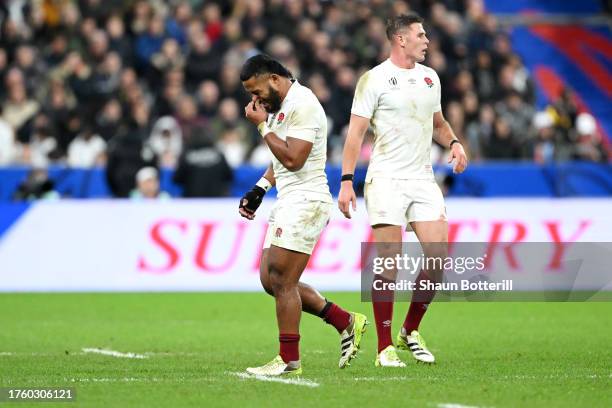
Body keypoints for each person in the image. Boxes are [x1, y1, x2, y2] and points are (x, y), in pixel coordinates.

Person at [338, 14, 468, 367]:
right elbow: (355, 135)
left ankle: (409, 331)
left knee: (438, 257)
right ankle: (384, 348)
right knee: (389, 263)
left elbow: (437, 124)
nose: (426, 40)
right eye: (420, 35)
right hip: (386, 180)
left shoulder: (430, 78)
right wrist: (347, 181)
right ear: (400, 39)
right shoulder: (374, 80)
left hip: (423, 179)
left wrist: (454, 142)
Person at [238, 54, 368, 377]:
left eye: (256, 92)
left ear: (273, 79)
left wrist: (262, 128)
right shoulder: (281, 107)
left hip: (308, 200)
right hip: (288, 199)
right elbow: (280, 160)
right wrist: (260, 188)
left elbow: (295, 158)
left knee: (283, 279)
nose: (254, 100)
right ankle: (345, 321)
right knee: (271, 279)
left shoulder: (304, 104)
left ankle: (288, 360)